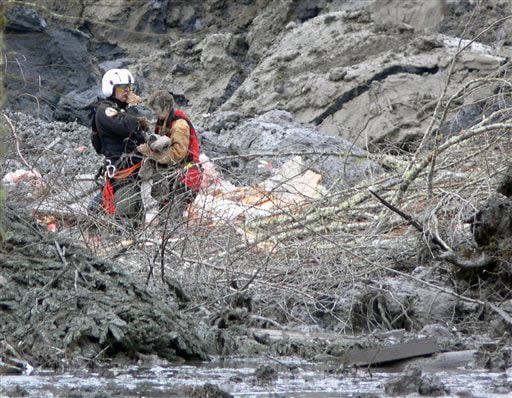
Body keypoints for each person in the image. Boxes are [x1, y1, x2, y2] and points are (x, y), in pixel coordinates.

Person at [88, 68, 149, 222]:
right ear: (111, 88)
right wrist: (134, 110)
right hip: (122, 172)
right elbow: (126, 126)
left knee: (136, 213)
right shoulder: (105, 110)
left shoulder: (121, 110)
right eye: (123, 88)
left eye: (129, 88)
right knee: (126, 216)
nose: (127, 92)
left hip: (131, 172)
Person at [137, 90, 202, 219]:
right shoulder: (164, 121)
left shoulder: (179, 125)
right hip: (174, 176)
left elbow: (176, 155)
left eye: (155, 109)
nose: (154, 112)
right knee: (165, 217)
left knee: (171, 218)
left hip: (187, 177)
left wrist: (149, 152)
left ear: (166, 107)